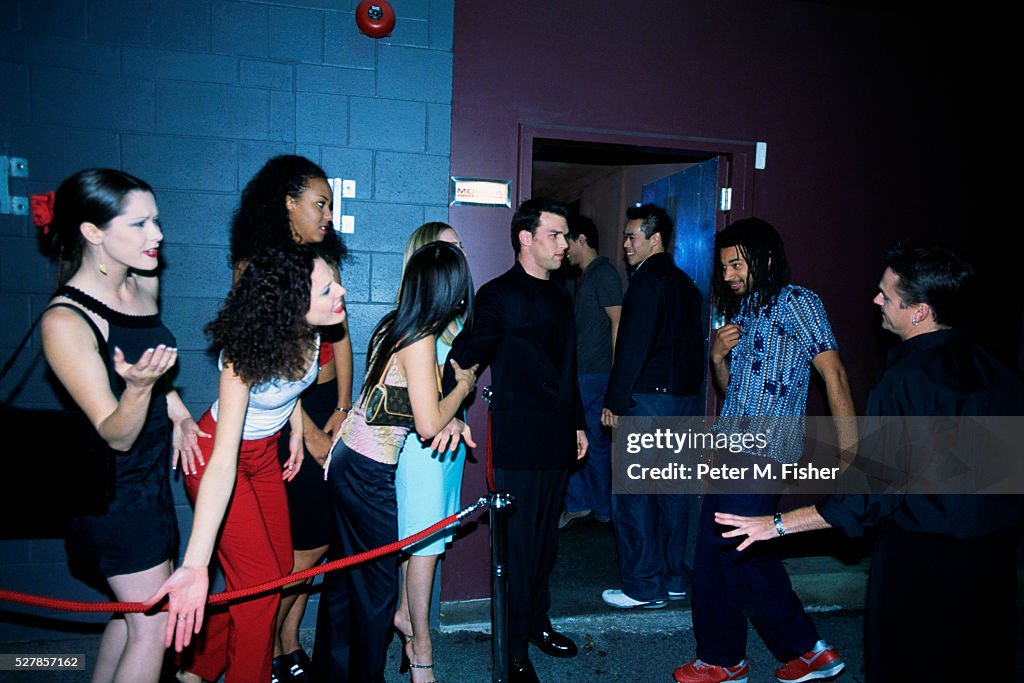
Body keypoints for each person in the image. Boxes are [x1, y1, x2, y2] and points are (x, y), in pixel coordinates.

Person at [715, 246, 1024, 682]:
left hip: (920, 565)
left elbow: (867, 496)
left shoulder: (905, 380)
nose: (876, 301)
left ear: (918, 312)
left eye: (885, 294)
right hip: (994, 564)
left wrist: (775, 525)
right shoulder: (998, 371)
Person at [146, 244, 347, 683]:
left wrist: (295, 426)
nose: (341, 291)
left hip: (263, 455)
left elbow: (289, 390)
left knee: (274, 575)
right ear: (293, 303)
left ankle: (196, 668)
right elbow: (222, 461)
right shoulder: (243, 361)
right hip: (219, 455)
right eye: (328, 287)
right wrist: (195, 564)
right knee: (258, 594)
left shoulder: (313, 333)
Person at [673, 218, 856, 683]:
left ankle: (722, 659)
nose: (729, 274)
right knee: (752, 549)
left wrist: (853, 454)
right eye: (724, 266)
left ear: (766, 259)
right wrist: (716, 356)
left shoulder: (800, 302)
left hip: (767, 447)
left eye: (738, 263)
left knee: (719, 549)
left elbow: (833, 376)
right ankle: (808, 650)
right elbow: (734, 391)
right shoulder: (746, 311)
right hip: (732, 444)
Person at [39, 168, 205, 682]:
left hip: (149, 476)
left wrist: (173, 405)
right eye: (139, 224)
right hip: (106, 489)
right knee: (152, 624)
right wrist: (137, 389)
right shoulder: (65, 320)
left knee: (132, 612)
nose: (157, 235)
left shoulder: (142, 280)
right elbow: (115, 431)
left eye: (156, 220)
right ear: (93, 232)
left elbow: (149, 363)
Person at [312, 241, 478, 683]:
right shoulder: (421, 338)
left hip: (349, 460)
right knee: (376, 590)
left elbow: (400, 403)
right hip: (367, 471)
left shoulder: (396, 325)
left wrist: (451, 419)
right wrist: (463, 386)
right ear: (453, 291)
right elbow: (427, 422)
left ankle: (331, 673)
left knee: (347, 580)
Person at [445, 197, 588, 683]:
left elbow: (568, 370)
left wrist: (578, 424)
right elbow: (465, 357)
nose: (564, 245)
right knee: (518, 548)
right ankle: (511, 647)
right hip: (517, 442)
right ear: (525, 238)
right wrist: (444, 409)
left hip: (556, 439)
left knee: (546, 543)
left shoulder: (563, 295)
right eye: (555, 235)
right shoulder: (498, 294)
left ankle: (536, 623)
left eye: (566, 236)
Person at [228, 154, 353, 683]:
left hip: (323, 410)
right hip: (282, 422)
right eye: (318, 203)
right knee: (299, 547)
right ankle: (267, 649)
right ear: (287, 204)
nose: (327, 214)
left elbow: (341, 342)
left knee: (316, 542)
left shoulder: (322, 263)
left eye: (329, 204)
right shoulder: (258, 267)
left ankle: (286, 642)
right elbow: (262, 373)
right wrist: (309, 432)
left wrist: (343, 408)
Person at [599, 204, 704, 609]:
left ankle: (643, 586)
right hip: (683, 402)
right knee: (674, 492)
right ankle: (675, 577)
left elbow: (632, 346)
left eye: (632, 236)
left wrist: (614, 401)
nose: (625, 243)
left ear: (655, 238)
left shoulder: (645, 282)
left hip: (648, 400)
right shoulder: (686, 284)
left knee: (633, 495)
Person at [392, 222, 473, 683]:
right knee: (423, 546)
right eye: (449, 249)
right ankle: (422, 648)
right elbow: (426, 406)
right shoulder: (415, 321)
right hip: (424, 446)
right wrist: (461, 385)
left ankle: (405, 615)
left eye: (460, 247)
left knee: (426, 543)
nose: (459, 256)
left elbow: (469, 366)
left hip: (449, 444)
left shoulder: (451, 317)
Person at [559, 213, 621, 529]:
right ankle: (585, 503)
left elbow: (617, 321)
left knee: (592, 441)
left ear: (582, 239)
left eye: (566, 239)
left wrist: (615, 377)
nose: (563, 247)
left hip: (595, 375)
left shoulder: (603, 274)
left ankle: (599, 508)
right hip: (586, 373)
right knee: (585, 440)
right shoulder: (589, 276)